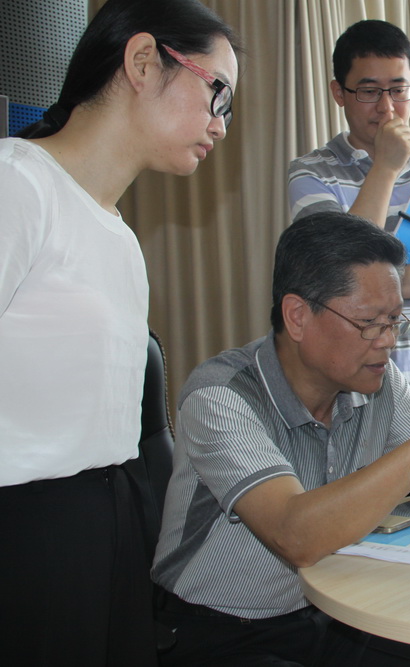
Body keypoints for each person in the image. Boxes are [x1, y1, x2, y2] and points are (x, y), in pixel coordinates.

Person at [151, 212, 410, 666]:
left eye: (395, 320)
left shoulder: (377, 382)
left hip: (331, 612)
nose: (388, 341)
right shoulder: (221, 395)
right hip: (218, 630)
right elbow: (294, 536)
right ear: (297, 316)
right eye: (369, 322)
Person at [0, 1, 239, 664]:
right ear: (142, 62)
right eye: (217, 93)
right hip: (29, 529)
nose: (221, 125)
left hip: (112, 521)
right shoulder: (18, 183)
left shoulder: (119, 234)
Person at [288, 19, 410, 422]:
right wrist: (387, 167)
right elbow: (339, 268)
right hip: (353, 382)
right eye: (369, 91)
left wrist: (369, 294)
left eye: (398, 89)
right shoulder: (311, 171)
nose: (387, 107)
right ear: (338, 93)